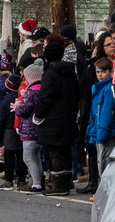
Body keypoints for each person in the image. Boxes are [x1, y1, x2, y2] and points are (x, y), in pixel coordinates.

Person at [33, 36, 81, 195]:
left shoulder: (50, 74)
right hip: (68, 117)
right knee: (65, 150)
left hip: (53, 118)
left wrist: (38, 115)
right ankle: (66, 183)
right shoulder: (71, 73)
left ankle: (60, 186)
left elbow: (45, 97)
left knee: (55, 152)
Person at [85, 58, 115, 176]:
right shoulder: (98, 88)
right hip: (97, 131)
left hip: (104, 133)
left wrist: (102, 133)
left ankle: (106, 192)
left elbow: (106, 113)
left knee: (105, 164)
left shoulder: (108, 89)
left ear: (110, 72)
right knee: (101, 162)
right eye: (98, 72)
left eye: (103, 72)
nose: (100, 75)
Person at [0, 73, 25, 190]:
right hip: (22, 130)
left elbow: (0, 120)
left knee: (9, 157)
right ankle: (22, 179)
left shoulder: (6, 100)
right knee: (21, 156)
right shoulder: (22, 96)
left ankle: (9, 180)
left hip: (9, 132)